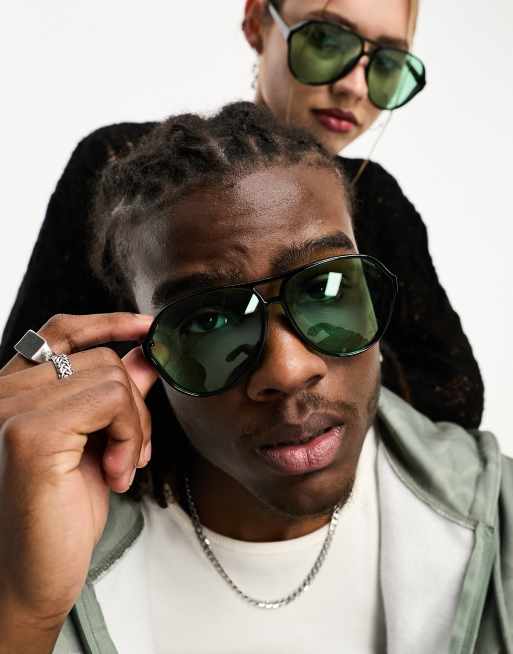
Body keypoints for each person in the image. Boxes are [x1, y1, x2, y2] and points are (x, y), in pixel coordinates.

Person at [0, 103, 511, 654]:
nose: (289, 371)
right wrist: (25, 610)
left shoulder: (499, 517)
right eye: (209, 321)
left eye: (326, 288)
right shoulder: (38, 542)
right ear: (139, 344)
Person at [0, 0, 484, 429]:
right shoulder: (126, 171)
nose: (354, 86)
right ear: (257, 23)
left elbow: (453, 396)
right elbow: (32, 369)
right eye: (325, 40)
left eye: (388, 64)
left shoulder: (377, 198)